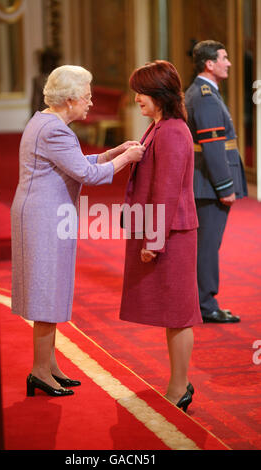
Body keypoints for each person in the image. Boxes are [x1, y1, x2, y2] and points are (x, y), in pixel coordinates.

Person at [11, 65, 145, 397]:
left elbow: (77, 163)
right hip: (43, 217)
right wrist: (126, 158)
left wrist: (111, 153)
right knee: (46, 293)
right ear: (70, 99)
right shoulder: (53, 130)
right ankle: (40, 371)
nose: (90, 102)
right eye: (86, 96)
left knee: (52, 289)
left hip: (46, 214)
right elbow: (89, 175)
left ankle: (49, 365)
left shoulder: (47, 122)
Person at [119, 60, 202, 412]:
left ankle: (180, 387)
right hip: (163, 229)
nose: (136, 98)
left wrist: (154, 241)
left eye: (142, 92)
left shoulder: (171, 130)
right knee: (171, 311)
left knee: (179, 313)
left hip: (173, 233)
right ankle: (178, 383)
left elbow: (166, 191)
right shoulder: (159, 126)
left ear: (160, 95)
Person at [185, 40, 247, 324]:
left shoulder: (202, 92)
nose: (229, 63)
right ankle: (206, 304)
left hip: (205, 183)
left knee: (205, 245)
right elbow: (212, 146)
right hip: (210, 185)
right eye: (224, 58)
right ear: (209, 64)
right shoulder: (206, 95)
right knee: (208, 246)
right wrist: (225, 186)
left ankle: (201, 300)